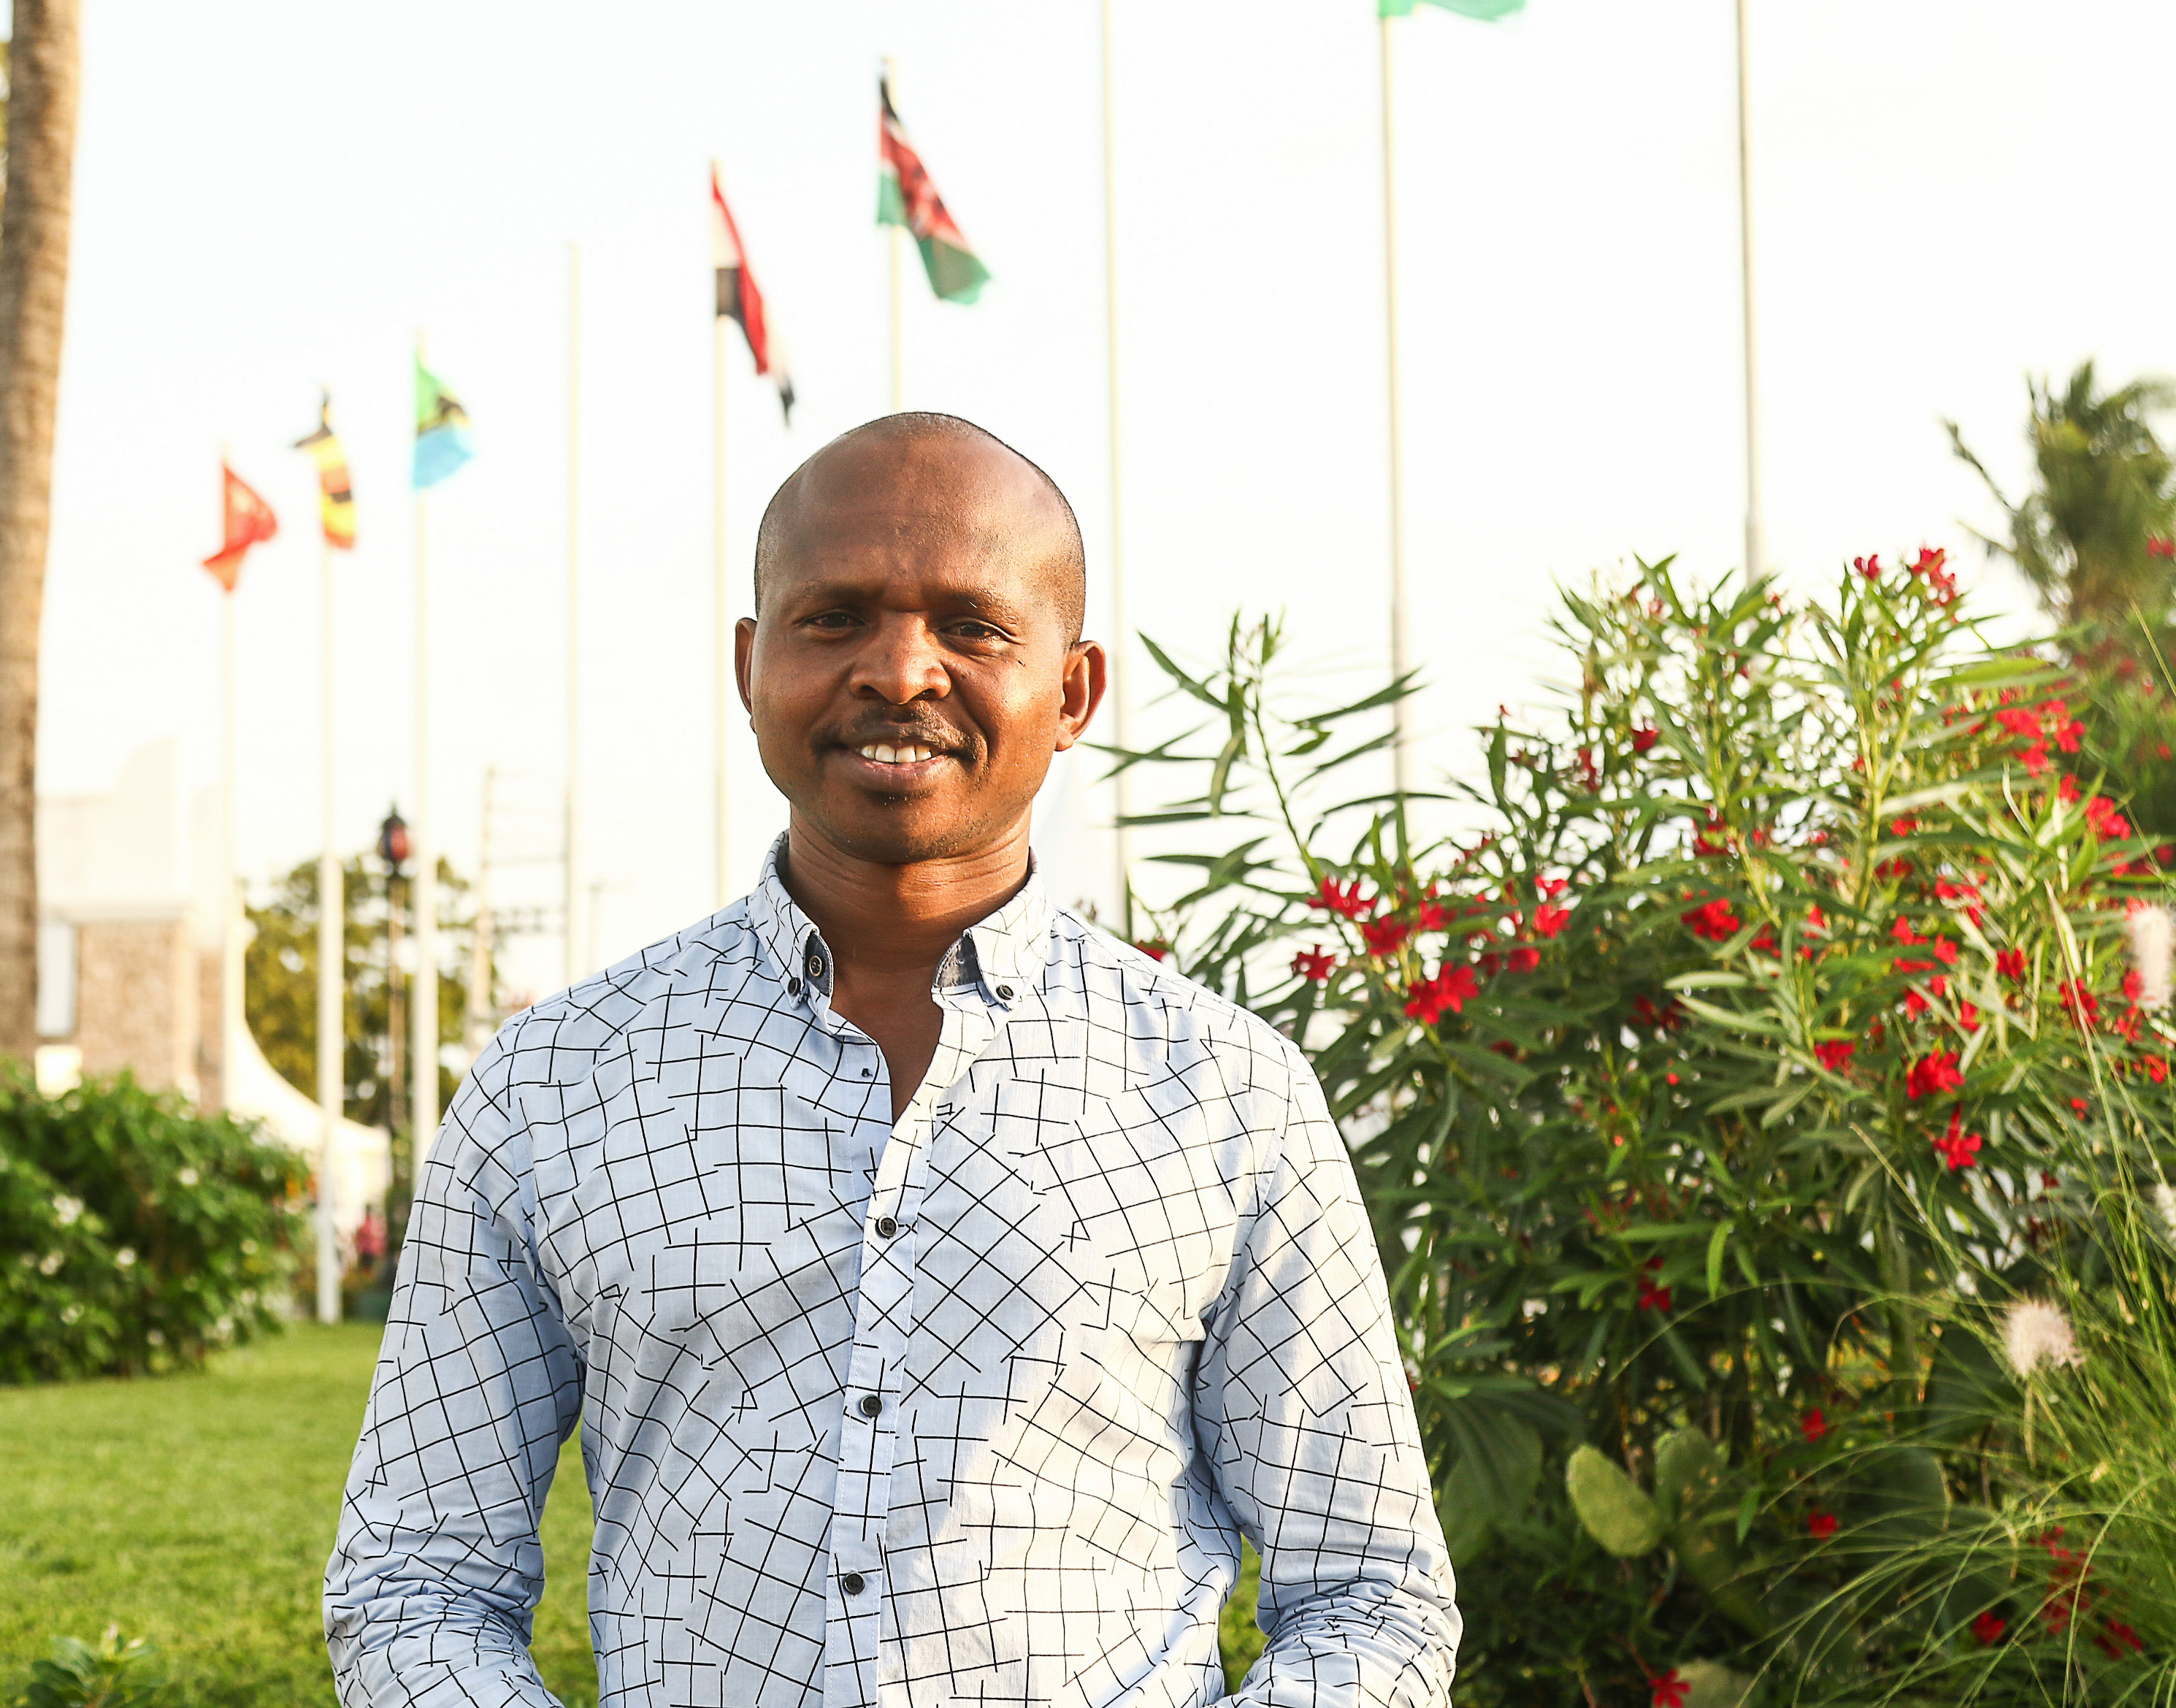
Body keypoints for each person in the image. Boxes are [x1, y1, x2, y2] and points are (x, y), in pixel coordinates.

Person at [326, 414, 1457, 1707]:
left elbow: (1371, 1593)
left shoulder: (1230, 1095)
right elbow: (414, 1583)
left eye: (972, 626)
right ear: (753, 667)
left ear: (1073, 691)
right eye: (837, 617)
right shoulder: (555, 1085)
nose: (901, 670)